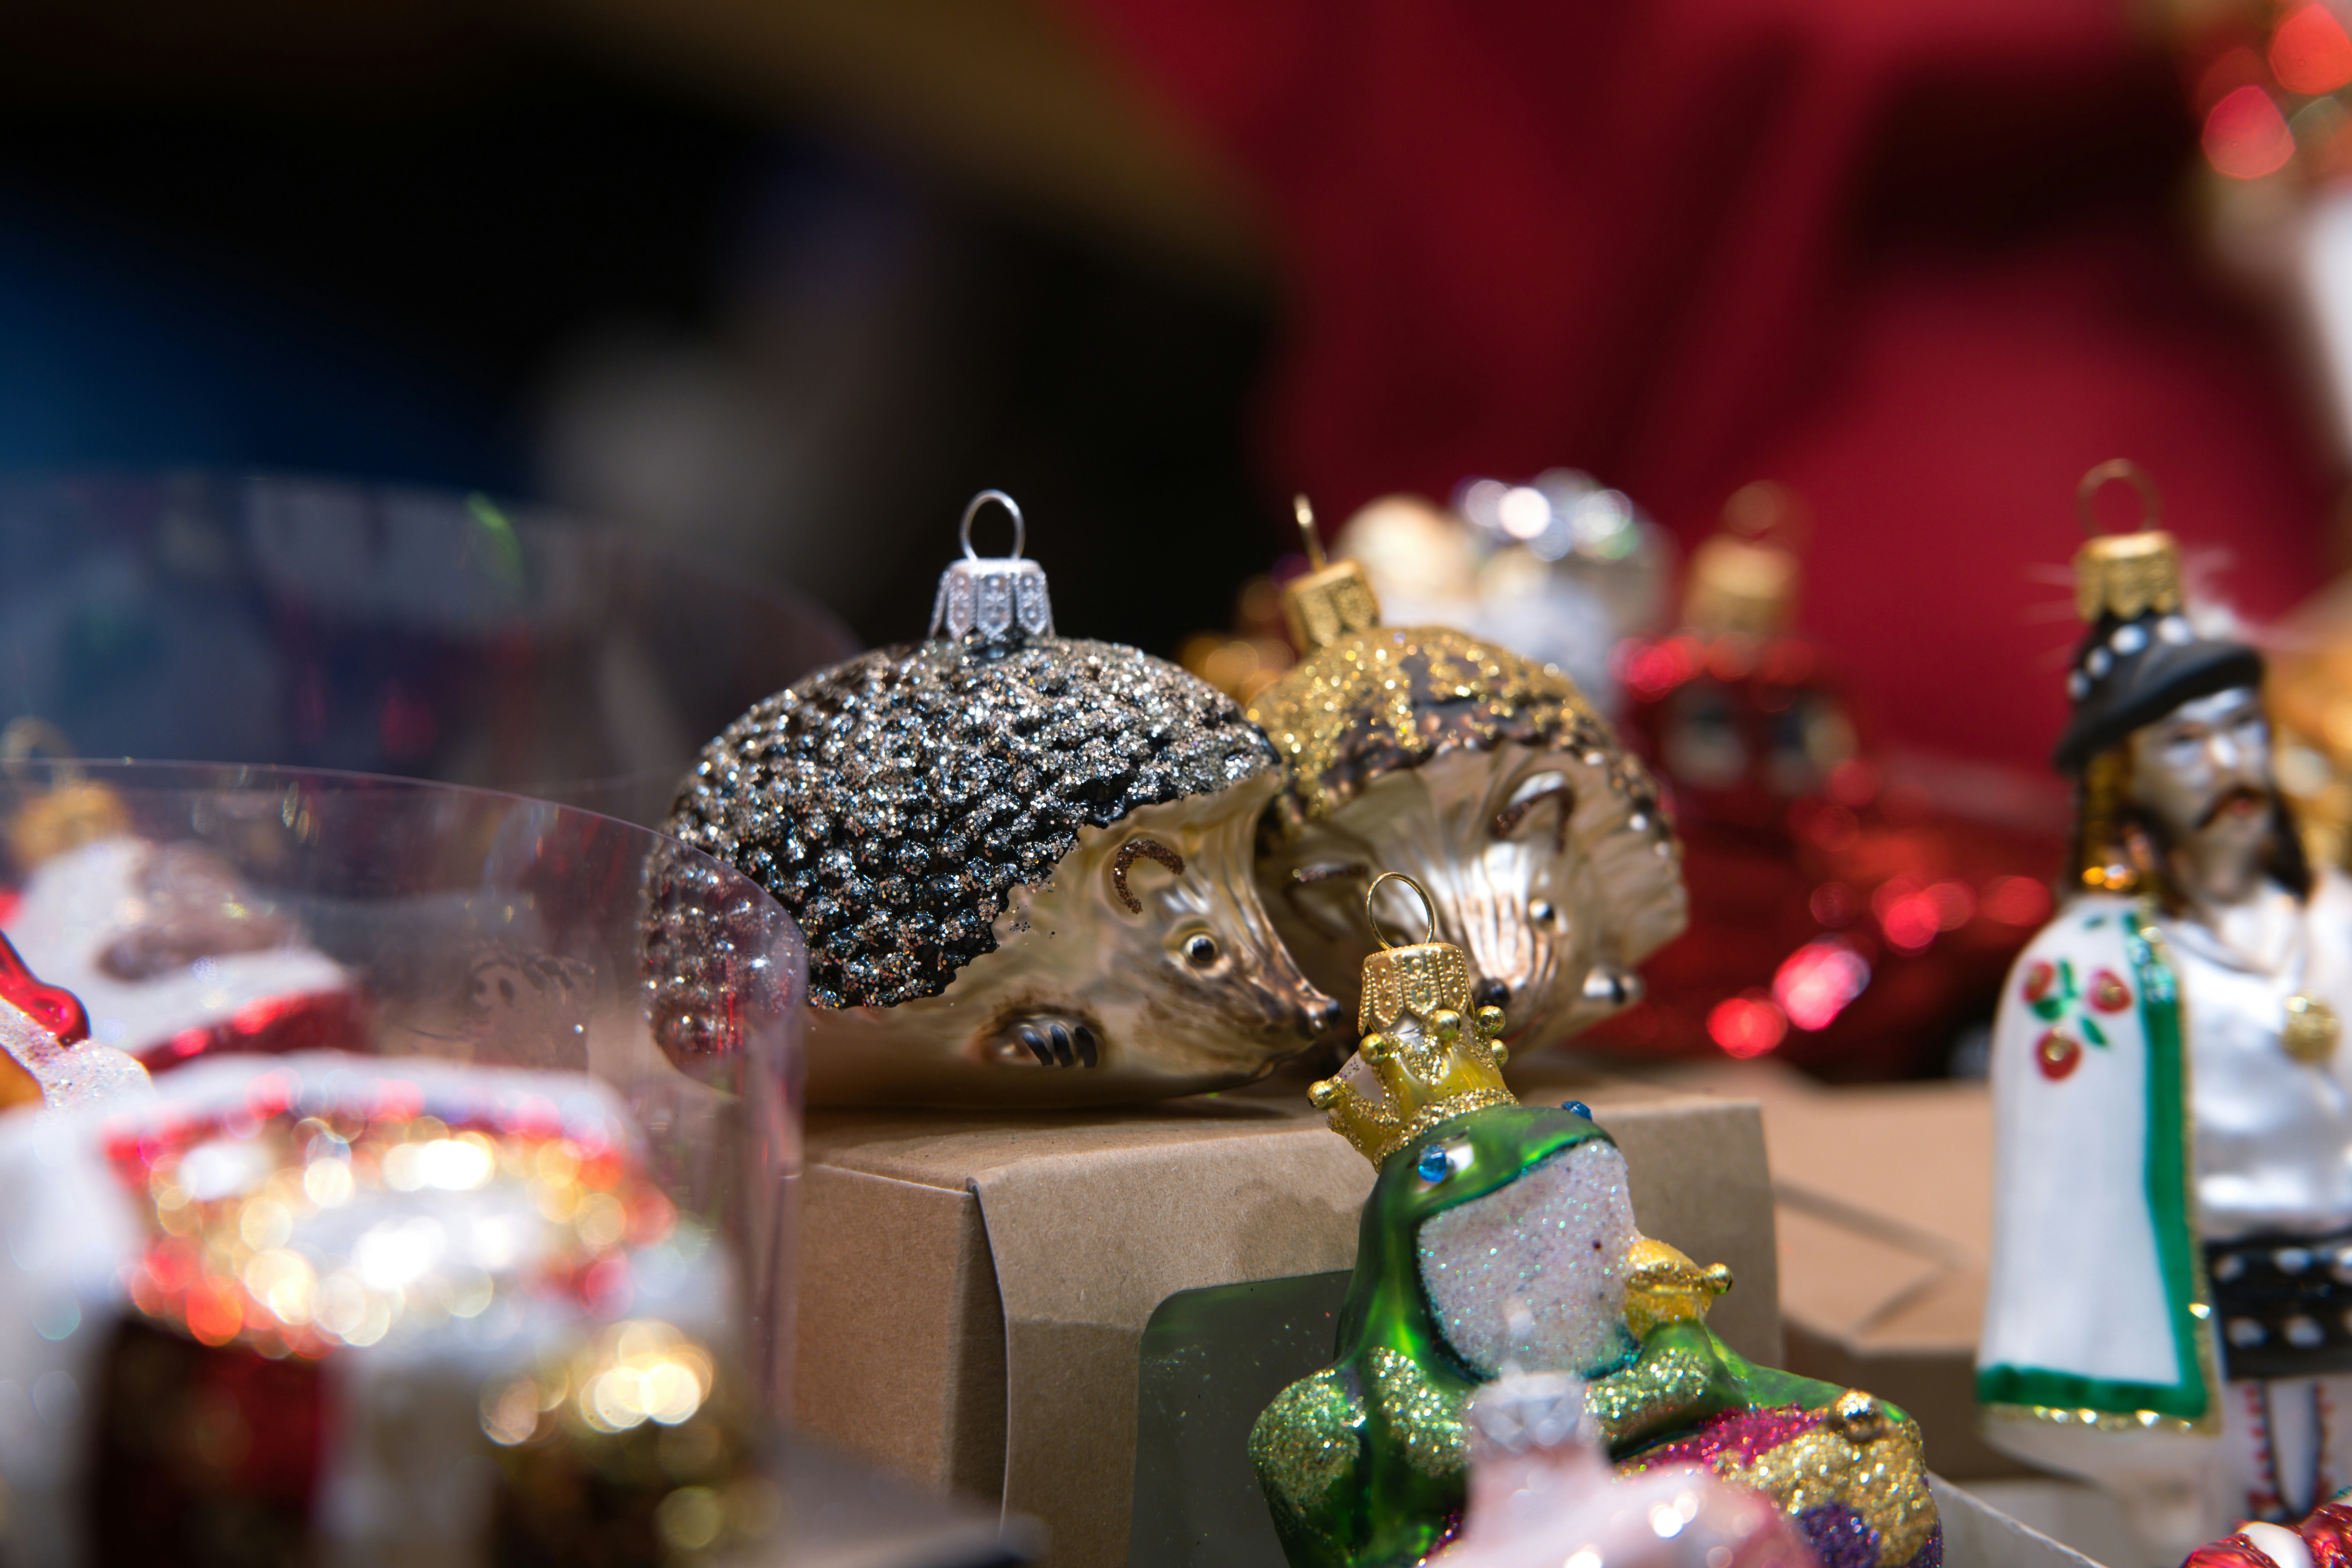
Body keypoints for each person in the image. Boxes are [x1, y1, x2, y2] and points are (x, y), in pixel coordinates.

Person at [1978, 463, 2352, 1561]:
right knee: (2228, 1535)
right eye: (2186, 745)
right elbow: (2073, 1189)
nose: (2229, 764)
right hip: (2213, 1341)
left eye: (2240, 729)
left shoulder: (2335, 919)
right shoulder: (2093, 966)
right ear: (2124, 780)